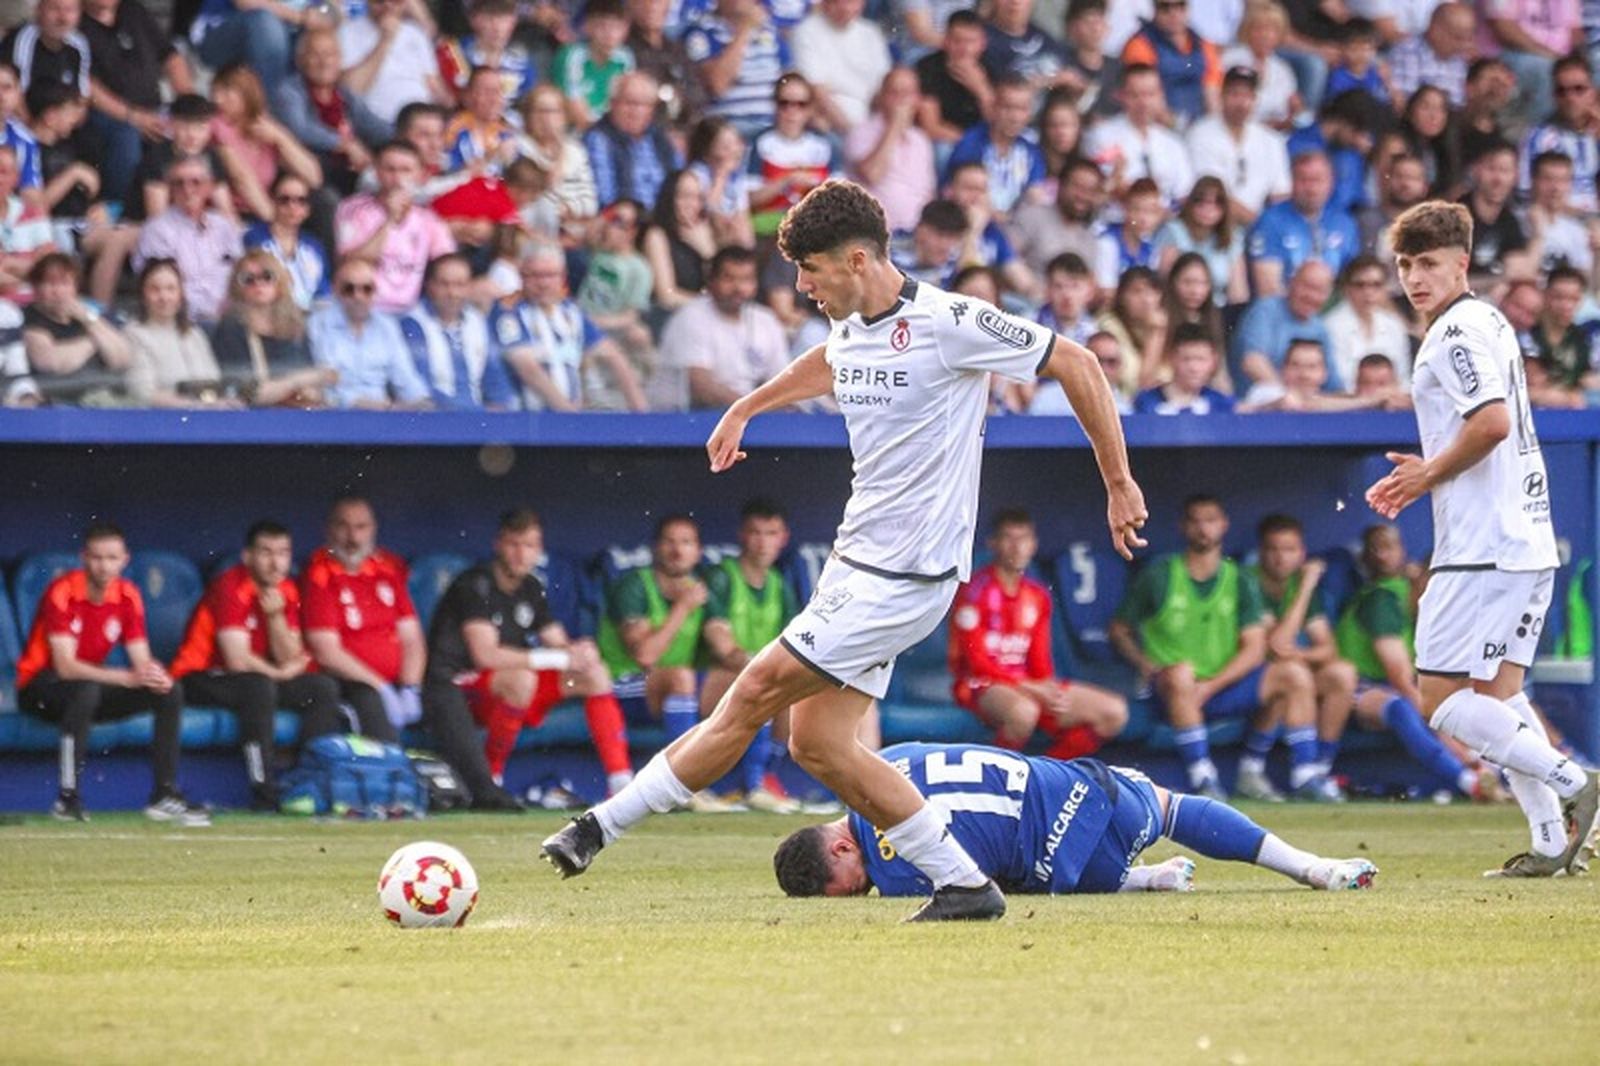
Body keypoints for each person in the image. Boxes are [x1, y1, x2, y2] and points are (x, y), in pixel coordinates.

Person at [542, 178, 1146, 923]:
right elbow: (830, 363)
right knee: (819, 745)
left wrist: (1118, 484)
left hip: (906, 575)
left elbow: (1078, 363)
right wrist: (747, 405)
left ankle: (599, 825)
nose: (802, 287)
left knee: (755, 690)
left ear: (858, 259)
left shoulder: (950, 321)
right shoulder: (853, 325)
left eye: (812, 271)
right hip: (855, 567)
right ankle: (962, 884)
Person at [1365, 200, 1597, 877]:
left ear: (1462, 263)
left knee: (1440, 700)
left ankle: (1573, 779)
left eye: (1429, 263)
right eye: (1406, 265)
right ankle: (1552, 839)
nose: (1415, 278)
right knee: (1497, 697)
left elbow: (1491, 423)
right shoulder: (1489, 321)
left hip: (1481, 548)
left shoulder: (1456, 332)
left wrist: (1425, 476)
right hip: (1522, 541)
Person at [773, 741, 1379, 898]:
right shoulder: (889, 760)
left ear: (844, 852)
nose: (868, 889)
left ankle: (1140, 880)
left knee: (1007, 874)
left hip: (1076, 869)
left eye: (851, 889)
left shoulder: (895, 875)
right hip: (1087, 791)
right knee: (1171, 807)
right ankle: (1309, 866)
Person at [1110, 494, 1337, 802]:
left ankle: (1304, 776)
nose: (1204, 528)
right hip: (1171, 691)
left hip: (1222, 686)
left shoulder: (1238, 577)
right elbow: (1120, 629)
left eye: (1211, 520)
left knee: (1293, 674)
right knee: (1180, 675)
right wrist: (1143, 662)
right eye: (1196, 520)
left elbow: (1256, 647)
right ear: (1184, 526)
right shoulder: (1160, 573)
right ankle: (1203, 777)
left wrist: (1213, 685)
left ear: (1224, 525)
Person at [421, 509, 634, 811]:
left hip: (513, 688)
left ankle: (621, 784)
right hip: (465, 687)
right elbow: (486, 655)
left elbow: (556, 639)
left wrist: (579, 651)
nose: (522, 554)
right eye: (514, 544)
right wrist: (556, 657)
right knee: (521, 678)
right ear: (499, 544)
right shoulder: (475, 584)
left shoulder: (531, 586)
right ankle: (491, 779)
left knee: (594, 674)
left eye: (530, 546)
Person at [16, 521, 209, 825]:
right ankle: (68, 800)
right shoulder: (63, 591)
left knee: (167, 691)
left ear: (125, 560)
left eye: (112, 558)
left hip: (88, 690)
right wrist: (127, 677)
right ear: (84, 558)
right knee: (85, 691)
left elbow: (141, 660)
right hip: (41, 688)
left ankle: (164, 795)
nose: (104, 566)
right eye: (97, 558)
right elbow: (65, 667)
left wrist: (154, 674)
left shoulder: (128, 594)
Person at [170, 520, 343, 811]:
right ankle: (263, 791)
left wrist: (275, 618)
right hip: (199, 675)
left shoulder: (286, 589)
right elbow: (237, 659)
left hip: (254, 679)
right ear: (247, 556)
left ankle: (306, 783)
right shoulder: (231, 585)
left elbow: (292, 655)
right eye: (266, 552)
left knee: (322, 688)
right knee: (258, 687)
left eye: (282, 553)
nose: (275, 563)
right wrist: (279, 674)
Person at [1329, 524, 1502, 801]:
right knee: (1404, 706)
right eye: (1439, 584)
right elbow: (1402, 681)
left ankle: (1499, 773)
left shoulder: (1431, 612)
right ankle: (1468, 782)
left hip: (1392, 687)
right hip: (1351, 689)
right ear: (1421, 577)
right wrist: (1463, 753)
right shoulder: (1383, 599)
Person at [949, 508, 1128, 755]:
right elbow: (976, 663)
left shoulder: (1037, 595)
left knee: (1113, 711)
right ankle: (995, 784)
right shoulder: (973, 592)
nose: (1016, 547)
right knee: (1024, 712)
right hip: (982, 685)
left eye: (1023, 539)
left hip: (1028, 687)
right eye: (1008, 538)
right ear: (993, 543)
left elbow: (1039, 660)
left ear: (1033, 545)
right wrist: (1031, 689)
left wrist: (1047, 690)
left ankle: (1047, 773)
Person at [698, 499, 803, 812]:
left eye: (771, 533)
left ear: (783, 538)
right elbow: (721, 646)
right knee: (759, 681)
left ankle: (766, 778)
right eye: (756, 533)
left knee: (798, 689)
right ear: (742, 535)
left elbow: (794, 642)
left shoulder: (779, 584)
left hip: (757, 675)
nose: (763, 542)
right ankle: (750, 784)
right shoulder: (721, 576)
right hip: (709, 679)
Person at [299, 496, 415, 745]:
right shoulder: (319, 575)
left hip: (397, 684)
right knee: (369, 698)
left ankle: (465, 780)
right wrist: (382, 687)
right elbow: (326, 652)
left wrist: (410, 687)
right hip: (351, 681)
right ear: (329, 530)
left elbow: (412, 638)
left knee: (444, 697)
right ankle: (389, 778)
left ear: (373, 529)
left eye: (361, 527)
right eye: (344, 526)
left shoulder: (386, 571)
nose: (353, 538)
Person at [493, 242, 648, 411]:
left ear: (562, 277)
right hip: (527, 419)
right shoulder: (508, 311)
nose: (543, 283)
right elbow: (527, 368)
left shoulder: (571, 312)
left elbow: (612, 355)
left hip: (568, 419)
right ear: (521, 275)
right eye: (536, 275)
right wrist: (568, 413)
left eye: (551, 275)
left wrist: (640, 409)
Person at [80, 0, 192, 211]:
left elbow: (171, 56)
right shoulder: (77, 22)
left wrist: (189, 105)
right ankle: (116, 209)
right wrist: (133, 116)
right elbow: (88, 85)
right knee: (127, 136)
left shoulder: (134, 11)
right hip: (108, 114)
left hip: (155, 108)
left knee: (192, 130)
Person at [657, 245, 789, 410]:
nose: (738, 288)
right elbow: (701, 387)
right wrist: (756, 409)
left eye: (746, 280)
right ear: (711, 281)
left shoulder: (765, 320)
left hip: (745, 414)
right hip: (686, 419)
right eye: (729, 279)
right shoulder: (691, 316)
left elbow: (782, 381)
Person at [335, 141, 457, 315]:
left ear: (421, 175)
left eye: (406, 170)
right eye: (390, 170)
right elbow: (348, 263)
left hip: (411, 312)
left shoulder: (428, 220)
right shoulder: (352, 209)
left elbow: (448, 266)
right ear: (377, 172)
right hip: (364, 310)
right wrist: (390, 220)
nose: (398, 178)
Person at [272, 26, 391, 198]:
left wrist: (407, 137)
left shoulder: (345, 94)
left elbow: (373, 126)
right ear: (300, 60)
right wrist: (345, 145)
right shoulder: (289, 91)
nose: (324, 62)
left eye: (330, 54)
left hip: (349, 171)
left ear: (339, 60)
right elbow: (300, 129)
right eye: (315, 55)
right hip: (311, 176)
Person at [212, 251, 335, 406]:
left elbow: (309, 374)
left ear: (279, 281)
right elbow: (245, 392)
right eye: (248, 279)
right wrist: (297, 382)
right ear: (237, 287)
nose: (258, 284)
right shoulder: (231, 328)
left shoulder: (295, 324)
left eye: (267, 276)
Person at [132, 156, 243, 322]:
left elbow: (241, 272)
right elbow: (161, 290)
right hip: (186, 320)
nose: (187, 189)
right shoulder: (157, 230)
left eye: (196, 182)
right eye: (179, 183)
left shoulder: (223, 226)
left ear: (209, 187)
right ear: (170, 189)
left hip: (232, 315)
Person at [400, 252, 515, 411]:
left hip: (477, 421)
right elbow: (421, 387)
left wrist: (498, 416)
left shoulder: (478, 322)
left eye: (460, 285)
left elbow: (496, 382)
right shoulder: (412, 324)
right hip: (433, 420)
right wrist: (474, 414)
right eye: (444, 284)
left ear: (469, 287)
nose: (452, 293)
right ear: (429, 285)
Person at [209, 64, 322, 223]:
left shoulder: (265, 125)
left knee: (323, 199)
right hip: (236, 215)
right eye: (214, 91)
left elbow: (314, 177)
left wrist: (281, 138)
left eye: (226, 91)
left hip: (265, 208)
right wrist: (277, 226)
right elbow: (241, 179)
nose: (217, 99)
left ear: (247, 95)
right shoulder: (216, 124)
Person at [1184, 65, 1290, 225]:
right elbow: (1213, 193)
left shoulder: (1271, 140)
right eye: (1235, 94)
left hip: (1261, 225)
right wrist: (1260, 225)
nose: (1241, 102)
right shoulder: (1201, 134)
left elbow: (1281, 194)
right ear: (1222, 95)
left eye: (1248, 95)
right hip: (1215, 224)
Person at [22, 251, 131, 404]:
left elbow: (122, 358)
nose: (57, 291)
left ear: (75, 288)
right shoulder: (29, 317)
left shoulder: (86, 314)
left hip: (102, 396)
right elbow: (50, 362)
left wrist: (88, 319)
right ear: (36, 288)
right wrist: (94, 342)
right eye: (50, 283)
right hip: (57, 401)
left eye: (64, 283)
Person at [1246, 150, 1359, 298]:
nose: (1311, 188)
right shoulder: (1270, 221)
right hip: (1284, 312)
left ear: (1331, 182)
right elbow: (1268, 290)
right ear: (1292, 181)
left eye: (1317, 179)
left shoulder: (1344, 222)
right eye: (1303, 180)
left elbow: (1354, 278)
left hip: (1335, 311)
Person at [124, 258, 229, 408]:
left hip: (207, 417)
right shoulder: (134, 334)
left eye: (171, 289)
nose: (164, 297)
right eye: (155, 289)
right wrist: (198, 405)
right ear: (143, 295)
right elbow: (143, 393)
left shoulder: (194, 334)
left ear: (181, 295)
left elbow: (214, 382)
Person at [1081, 63, 1194, 204]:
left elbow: (1184, 192)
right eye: (1135, 95)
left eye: (1150, 94)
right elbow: (1103, 187)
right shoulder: (1100, 136)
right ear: (1121, 96)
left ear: (1161, 95)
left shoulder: (1173, 143)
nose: (1144, 102)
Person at [747, 72, 840, 238]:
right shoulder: (760, 143)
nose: (792, 111)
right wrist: (787, 181)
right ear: (775, 105)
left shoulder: (824, 145)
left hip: (818, 224)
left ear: (810, 109)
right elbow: (749, 198)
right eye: (784, 103)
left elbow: (840, 194)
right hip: (770, 226)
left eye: (800, 104)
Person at [844, 66, 935, 236]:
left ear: (917, 98)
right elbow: (872, 174)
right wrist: (894, 126)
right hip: (875, 236)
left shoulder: (920, 140)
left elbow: (927, 194)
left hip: (916, 236)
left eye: (907, 93)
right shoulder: (861, 132)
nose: (901, 100)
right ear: (883, 97)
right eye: (895, 93)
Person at [685, 0, 791, 139]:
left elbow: (789, 80)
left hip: (772, 126)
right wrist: (745, 30)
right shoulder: (701, 32)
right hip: (729, 125)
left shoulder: (769, 31)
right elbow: (718, 85)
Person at [942, 75, 1045, 215]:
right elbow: (964, 197)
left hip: (1015, 228)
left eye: (1022, 109)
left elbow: (1035, 197)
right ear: (994, 107)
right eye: (1008, 107)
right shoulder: (971, 143)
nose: (1015, 117)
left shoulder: (1031, 152)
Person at [1230, 259, 1337, 394]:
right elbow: (1252, 362)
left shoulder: (1320, 328)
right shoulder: (1266, 311)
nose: (1312, 296)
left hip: (1305, 408)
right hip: (1258, 406)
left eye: (1320, 290)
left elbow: (1333, 384)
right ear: (1291, 283)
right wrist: (1286, 397)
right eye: (1307, 286)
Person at [338, 0, 448, 127]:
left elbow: (434, 86)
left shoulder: (415, 33)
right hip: (381, 123)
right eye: (379, 1)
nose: (388, 5)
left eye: (396, 1)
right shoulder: (347, 32)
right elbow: (351, 90)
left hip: (423, 119)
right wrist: (386, 39)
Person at [583, 71, 682, 212]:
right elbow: (606, 200)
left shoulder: (660, 138)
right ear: (613, 103)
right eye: (629, 103)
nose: (636, 111)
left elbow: (681, 182)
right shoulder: (599, 139)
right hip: (627, 224)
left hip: (666, 221)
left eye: (644, 105)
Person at [1119, 0, 1222, 126]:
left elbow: (1212, 92)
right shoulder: (1140, 45)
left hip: (1200, 125)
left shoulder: (1204, 45)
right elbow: (1144, 96)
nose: (1174, 13)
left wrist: (1212, 127)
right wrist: (1176, 125)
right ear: (1155, 9)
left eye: (1180, 5)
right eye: (1165, 7)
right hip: (1158, 126)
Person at [1519, 54, 1600, 215]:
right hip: (1557, 222)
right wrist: (1587, 218)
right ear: (1553, 97)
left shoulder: (1595, 135)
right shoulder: (1540, 138)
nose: (1570, 98)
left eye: (1579, 89)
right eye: (1562, 91)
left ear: (1593, 93)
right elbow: (1526, 194)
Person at [1322, 255, 1413, 392]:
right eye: (1360, 285)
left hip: (1392, 403)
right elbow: (1340, 381)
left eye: (1376, 285)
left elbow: (1403, 376)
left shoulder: (1394, 325)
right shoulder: (1330, 326)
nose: (1368, 292)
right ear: (1346, 288)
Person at [1008, 156, 1106, 278]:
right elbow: (1004, 261)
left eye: (1091, 190)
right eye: (1078, 187)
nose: (1083, 196)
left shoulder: (1089, 241)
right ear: (1061, 185)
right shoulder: (1031, 217)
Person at [244, 172, 329, 312]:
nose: (293, 206)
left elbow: (323, 292)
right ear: (273, 201)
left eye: (301, 201)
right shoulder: (252, 238)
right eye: (285, 200)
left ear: (308, 209)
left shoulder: (314, 245)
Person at [914, 9, 998, 149]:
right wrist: (969, 143)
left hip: (983, 140)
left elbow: (1000, 124)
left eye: (971, 42)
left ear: (982, 43)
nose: (964, 49)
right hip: (945, 141)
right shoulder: (927, 68)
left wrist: (981, 89)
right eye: (957, 41)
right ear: (946, 40)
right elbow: (930, 126)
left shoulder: (992, 68)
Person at [1457, 138, 1531, 290]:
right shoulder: (1454, 216)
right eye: (1491, 169)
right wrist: (1496, 282)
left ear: (1515, 176)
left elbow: (1518, 271)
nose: (1498, 179)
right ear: (1475, 170)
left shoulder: (1510, 219)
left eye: (1505, 171)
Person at [549, 0, 635, 130]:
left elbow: (628, 104)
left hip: (614, 132)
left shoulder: (625, 58)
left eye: (616, 27)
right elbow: (576, 112)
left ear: (626, 30)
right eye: (602, 26)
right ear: (587, 27)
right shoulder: (572, 56)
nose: (609, 34)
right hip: (574, 132)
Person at [1131, 324, 1233, 415]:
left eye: (1201, 359)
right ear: (1171, 358)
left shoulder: (1223, 405)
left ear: (1213, 361)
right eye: (1186, 359)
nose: (1194, 368)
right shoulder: (1146, 402)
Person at [1387, 1, 1474, 107]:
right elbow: (1405, 105)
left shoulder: (1460, 60)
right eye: (1458, 38)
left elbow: (1459, 102)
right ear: (1436, 31)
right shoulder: (1407, 53)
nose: (1464, 46)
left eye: (1468, 39)